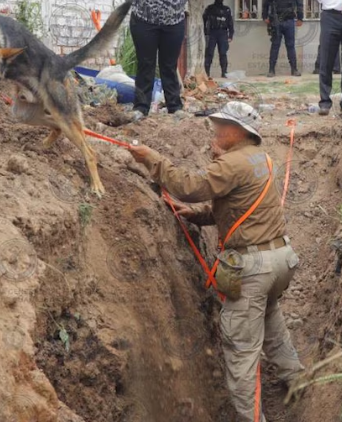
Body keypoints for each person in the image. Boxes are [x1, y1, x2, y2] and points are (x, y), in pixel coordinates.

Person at [129, 102, 304, 422]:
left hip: (254, 268)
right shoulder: (260, 158)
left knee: (242, 351)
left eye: (221, 126)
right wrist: (196, 215)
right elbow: (240, 208)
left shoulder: (232, 162)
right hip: (280, 259)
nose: (215, 131)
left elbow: (189, 186)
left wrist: (152, 159)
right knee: (270, 320)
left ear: (238, 132)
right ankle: (297, 380)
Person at [263, 0, 303, 77]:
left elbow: (299, 4)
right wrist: (265, 17)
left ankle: (294, 69)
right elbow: (266, 4)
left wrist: (300, 18)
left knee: (290, 46)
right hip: (277, 22)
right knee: (275, 46)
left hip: (289, 21)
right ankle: (271, 70)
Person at [203, 0, 234, 78]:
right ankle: (207, 73)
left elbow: (230, 23)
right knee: (209, 53)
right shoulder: (210, 8)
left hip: (223, 33)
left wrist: (230, 35)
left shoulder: (226, 9)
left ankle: (224, 72)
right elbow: (204, 20)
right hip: (212, 33)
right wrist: (206, 32)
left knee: (223, 53)